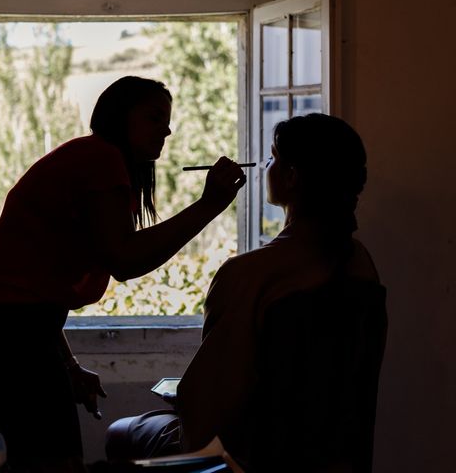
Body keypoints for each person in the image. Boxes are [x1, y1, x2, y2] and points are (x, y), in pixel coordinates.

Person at [0, 76, 246, 471]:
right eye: (154, 117)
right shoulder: (99, 159)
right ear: (120, 117)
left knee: (39, 458)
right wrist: (209, 205)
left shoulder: (94, 159)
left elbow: (36, 287)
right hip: (4, 337)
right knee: (55, 462)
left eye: (167, 120)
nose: (167, 129)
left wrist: (67, 365)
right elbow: (124, 259)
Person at [105, 113, 386, 472]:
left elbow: (207, 412)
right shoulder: (362, 265)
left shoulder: (249, 273)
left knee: (120, 432)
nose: (266, 165)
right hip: (337, 456)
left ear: (291, 177)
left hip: (248, 458)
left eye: (272, 158)